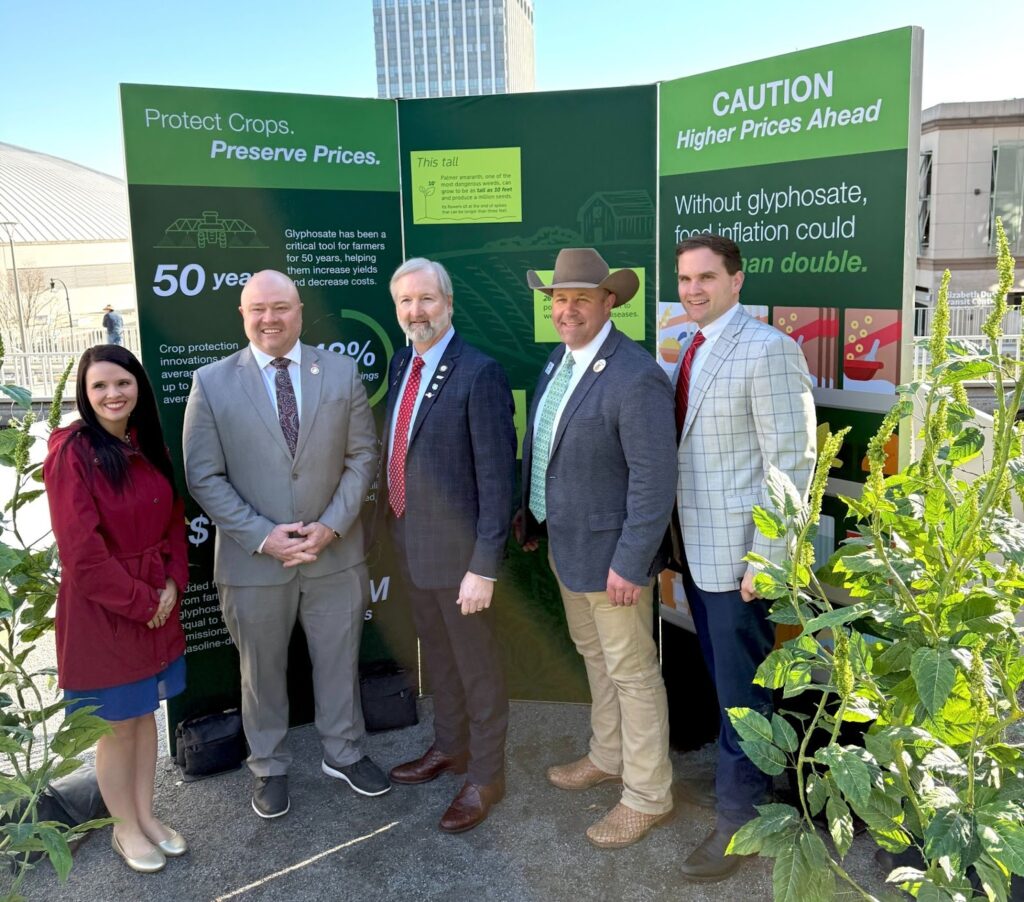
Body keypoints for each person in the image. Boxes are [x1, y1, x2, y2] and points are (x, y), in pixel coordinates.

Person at [182, 269, 385, 820]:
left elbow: (363, 457)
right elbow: (203, 477)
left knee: (339, 661)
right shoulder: (212, 382)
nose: (270, 319)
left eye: (281, 308)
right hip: (253, 562)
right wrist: (263, 536)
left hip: (333, 554)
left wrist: (331, 526)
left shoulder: (340, 372)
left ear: (300, 310)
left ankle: (343, 753)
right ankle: (269, 765)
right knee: (260, 671)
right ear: (243, 316)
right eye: (258, 310)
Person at [518, 248, 677, 849]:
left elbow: (653, 482)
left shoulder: (636, 376)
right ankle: (607, 755)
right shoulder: (559, 361)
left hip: (614, 563)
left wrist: (631, 563)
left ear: (611, 301)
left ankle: (647, 795)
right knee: (597, 660)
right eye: (559, 299)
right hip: (569, 547)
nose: (567, 309)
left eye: (581, 298)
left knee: (633, 673)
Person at [670, 234, 816, 882]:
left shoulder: (769, 350)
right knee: (733, 691)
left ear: (737, 280)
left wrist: (768, 557)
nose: (693, 289)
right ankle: (753, 796)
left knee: (741, 700)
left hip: (739, 564)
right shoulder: (690, 351)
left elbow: (792, 463)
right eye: (684, 279)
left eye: (705, 277)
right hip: (700, 555)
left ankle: (739, 829)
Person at [379, 258, 517, 833]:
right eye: (406, 302)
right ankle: (450, 747)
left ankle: (485, 776)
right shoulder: (401, 364)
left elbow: (497, 480)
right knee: (437, 660)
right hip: (411, 548)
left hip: (462, 562)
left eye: (427, 300)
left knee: (477, 667)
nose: (417, 311)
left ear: (450, 303)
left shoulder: (478, 373)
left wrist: (483, 565)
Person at [44, 345, 189, 874]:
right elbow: (80, 551)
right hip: (105, 612)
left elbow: (174, 518)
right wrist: (141, 601)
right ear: (85, 393)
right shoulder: (72, 452)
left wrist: (172, 581)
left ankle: (146, 815)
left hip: (157, 600)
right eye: (99, 386)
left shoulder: (147, 444)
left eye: (122, 383)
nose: (112, 394)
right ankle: (123, 828)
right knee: (115, 725)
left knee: (145, 715)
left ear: (138, 388)